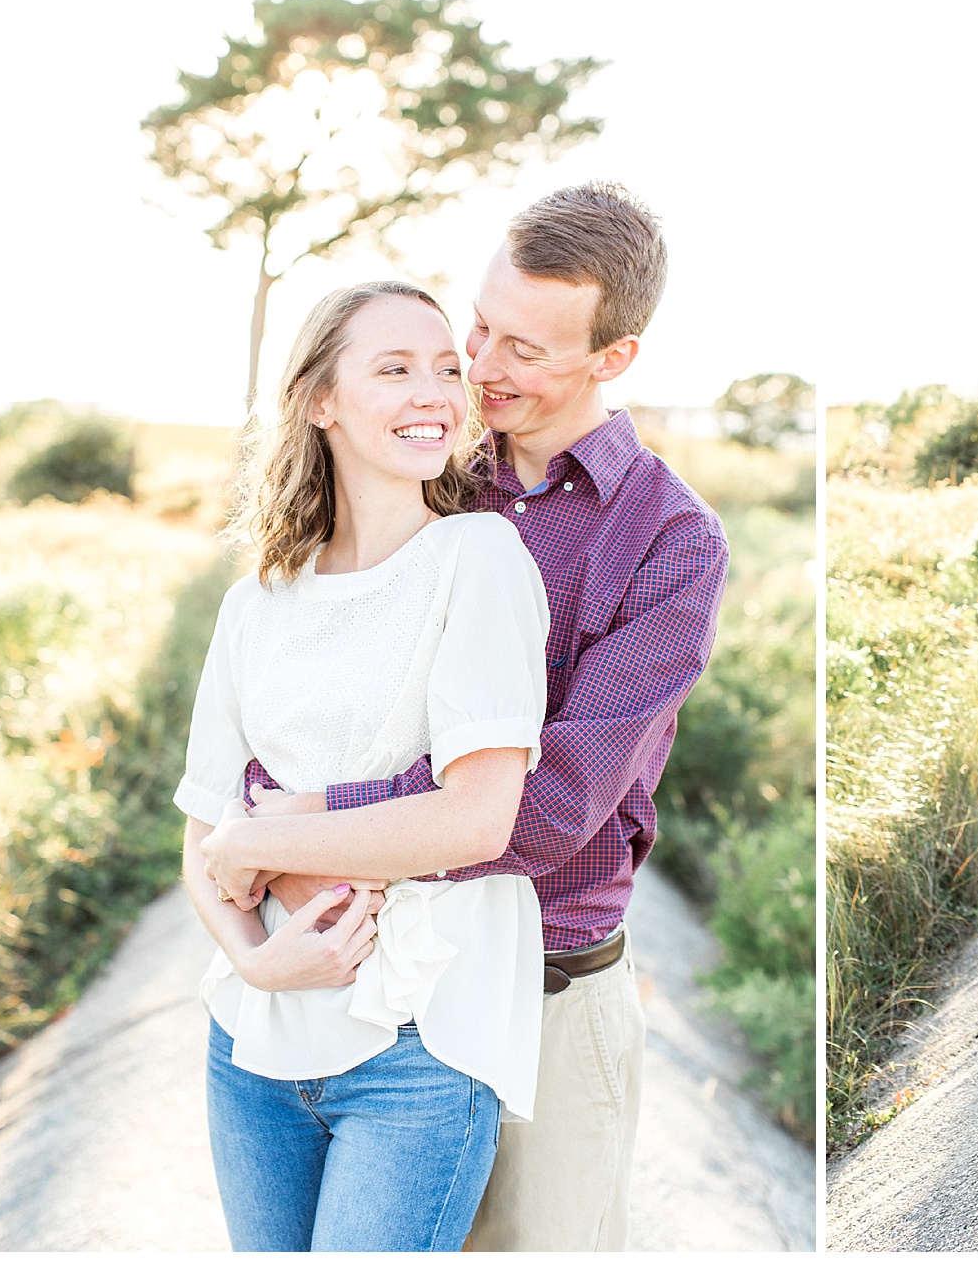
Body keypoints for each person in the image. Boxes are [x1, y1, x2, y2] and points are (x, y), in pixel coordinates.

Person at [236, 182, 729, 1249]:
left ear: (615, 358)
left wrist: (307, 823)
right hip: (371, 969)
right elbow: (301, 683)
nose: (483, 365)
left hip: (550, 989)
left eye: (527, 349)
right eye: (482, 326)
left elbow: (548, 806)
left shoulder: (669, 540)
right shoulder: (427, 469)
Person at [177, 280, 552, 1251]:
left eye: (444, 369)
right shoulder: (256, 602)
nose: (434, 391)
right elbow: (200, 835)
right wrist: (256, 959)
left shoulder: (481, 556)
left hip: (417, 1047)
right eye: (394, 368)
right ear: (320, 400)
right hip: (251, 1041)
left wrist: (262, 837)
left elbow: (475, 819)